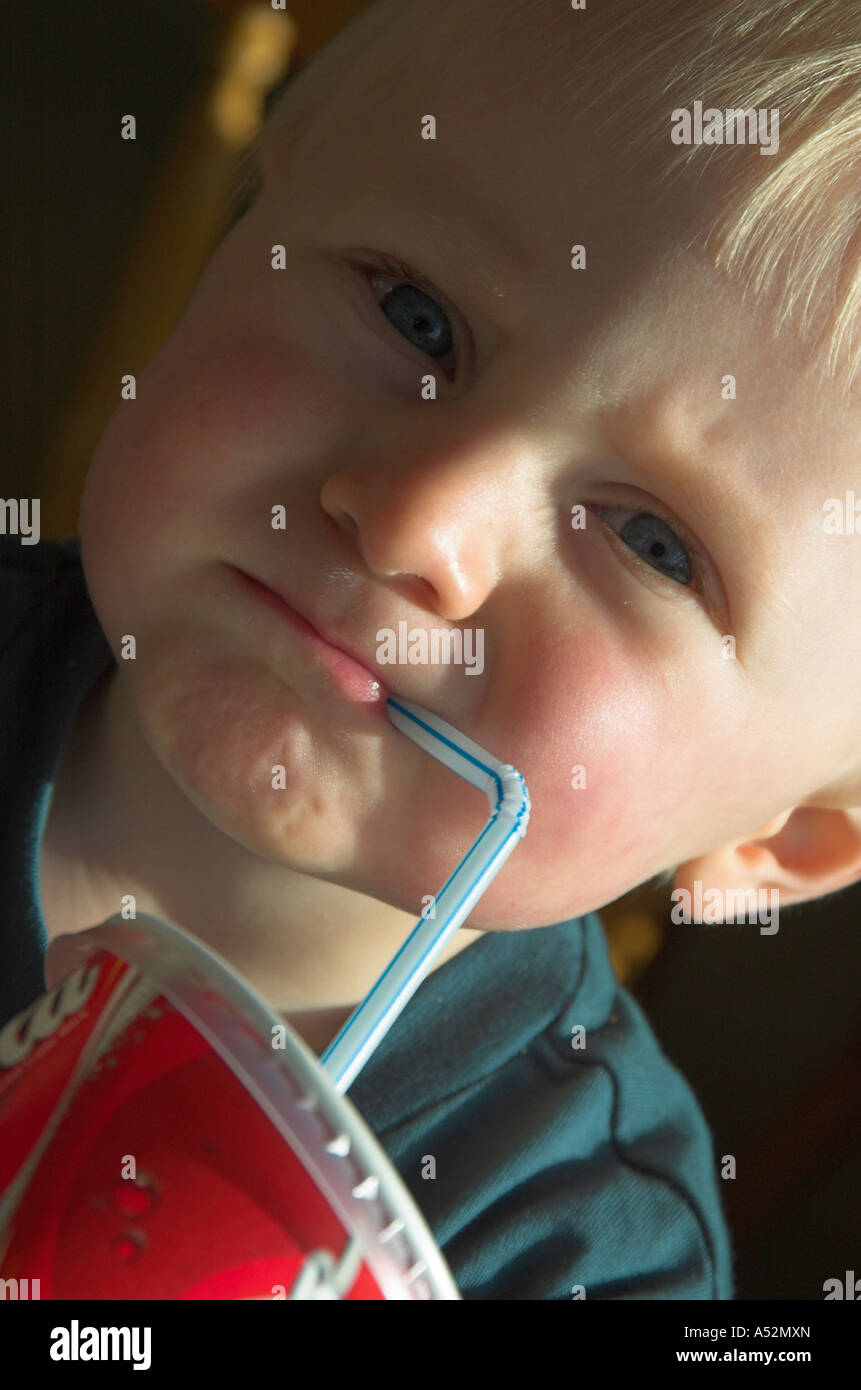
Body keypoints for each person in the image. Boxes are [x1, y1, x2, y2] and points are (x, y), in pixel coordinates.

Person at [3, 0, 860, 1298]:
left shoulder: (567, 1252)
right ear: (263, 198)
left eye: (655, 546)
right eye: (415, 317)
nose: (417, 518)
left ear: (772, 846)